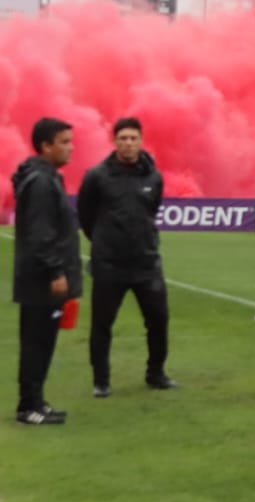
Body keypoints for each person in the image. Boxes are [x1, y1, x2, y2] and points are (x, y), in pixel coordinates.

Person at [77, 117, 176, 398]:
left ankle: (156, 373)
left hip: (146, 263)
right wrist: (103, 243)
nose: (128, 144)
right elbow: (86, 215)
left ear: (141, 141)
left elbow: (151, 209)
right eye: (123, 138)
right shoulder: (97, 176)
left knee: (158, 320)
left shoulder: (153, 176)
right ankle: (101, 380)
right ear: (115, 142)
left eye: (133, 138)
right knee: (102, 324)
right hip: (109, 265)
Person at [11, 117, 80, 425]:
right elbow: (41, 234)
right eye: (64, 142)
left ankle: (36, 400)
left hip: (40, 278)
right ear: (46, 146)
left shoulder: (47, 177)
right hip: (41, 281)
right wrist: (55, 272)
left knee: (42, 341)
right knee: (37, 342)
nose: (71, 148)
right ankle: (29, 407)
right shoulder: (40, 182)